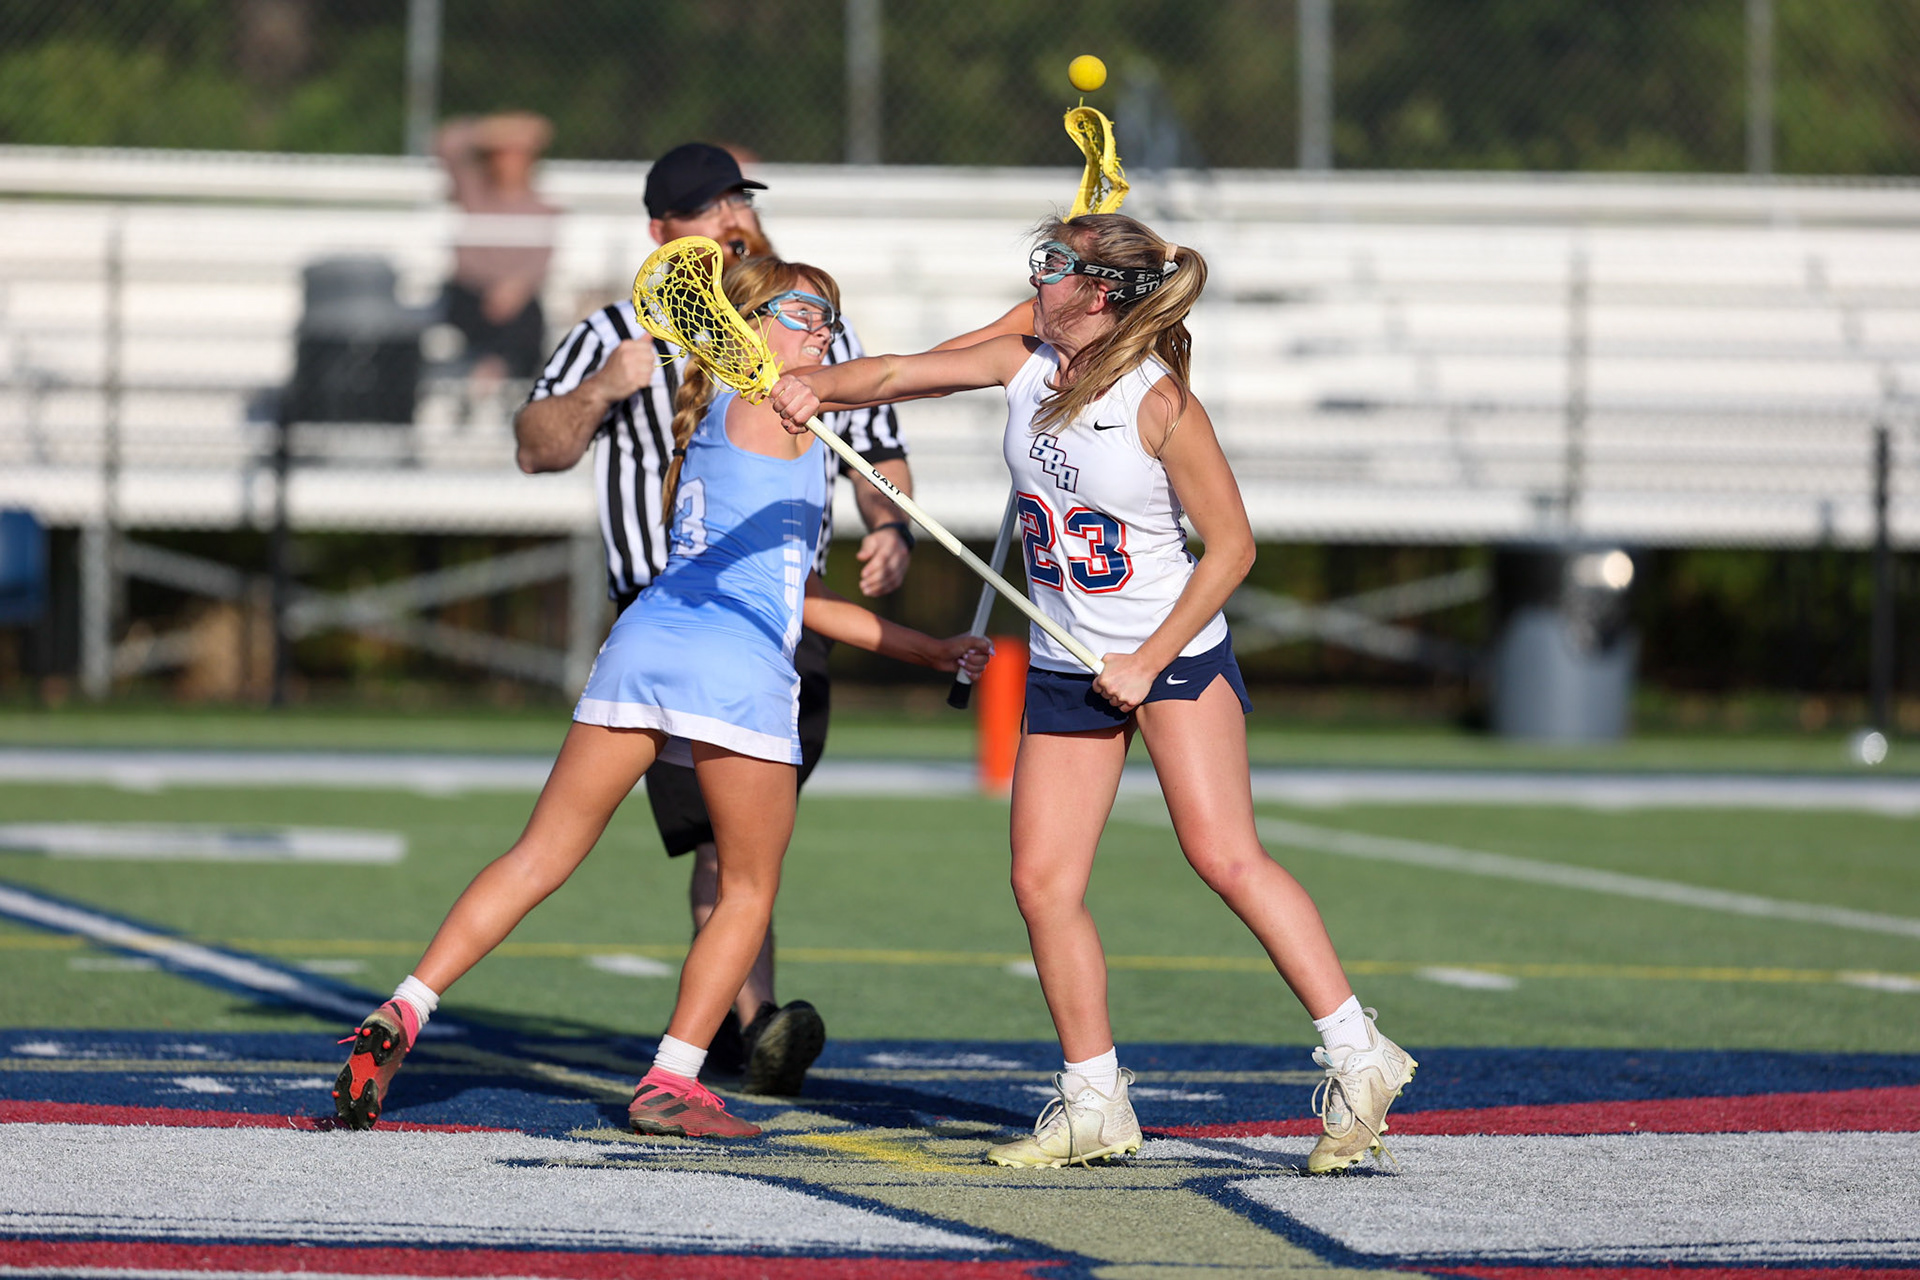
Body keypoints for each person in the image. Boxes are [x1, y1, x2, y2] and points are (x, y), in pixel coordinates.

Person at [767, 213, 1415, 1174]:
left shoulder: (1159, 400)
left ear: (1101, 292)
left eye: (1054, 266)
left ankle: (1362, 1055)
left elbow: (1232, 548)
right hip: (1071, 659)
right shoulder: (1024, 358)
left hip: (1172, 655)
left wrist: (1150, 662)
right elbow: (901, 372)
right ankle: (1094, 1098)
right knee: (1042, 882)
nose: (1036, 279)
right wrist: (817, 384)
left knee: (1224, 855)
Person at [334, 256, 989, 1139]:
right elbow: (910, 378)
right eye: (804, 312)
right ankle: (672, 1080)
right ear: (749, 323)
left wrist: (929, 649)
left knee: (539, 856)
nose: (822, 331)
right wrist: (1028, 350)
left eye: (831, 316)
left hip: (645, 644)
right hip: (735, 666)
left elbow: (796, 594)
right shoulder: (790, 410)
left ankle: (404, 1009)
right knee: (747, 888)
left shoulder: (713, 416)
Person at [512, 143, 917, 1096]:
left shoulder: (808, 327)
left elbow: (877, 445)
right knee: (714, 847)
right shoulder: (617, 331)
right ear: (661, 235)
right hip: (668, 620)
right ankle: (738, 1029)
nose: (731, 217)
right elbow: (536, 448)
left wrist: (891, 526)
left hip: (786, 614)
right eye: (707, 208)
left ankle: (735, 1028)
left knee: (740, 844)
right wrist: (603, 388)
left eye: (738, 198)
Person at [434, 112, 559, 385]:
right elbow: (446, 144)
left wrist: (515, 287)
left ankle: (493, 372)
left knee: (528, 318)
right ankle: (489, 372)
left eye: (517, 153)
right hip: (471, 292)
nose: (508, 161)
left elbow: (540, 262)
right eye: (502, 152)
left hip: (517, 301)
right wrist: (490, 131)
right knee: (469, 306)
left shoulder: (543, 209)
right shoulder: (474, 193)